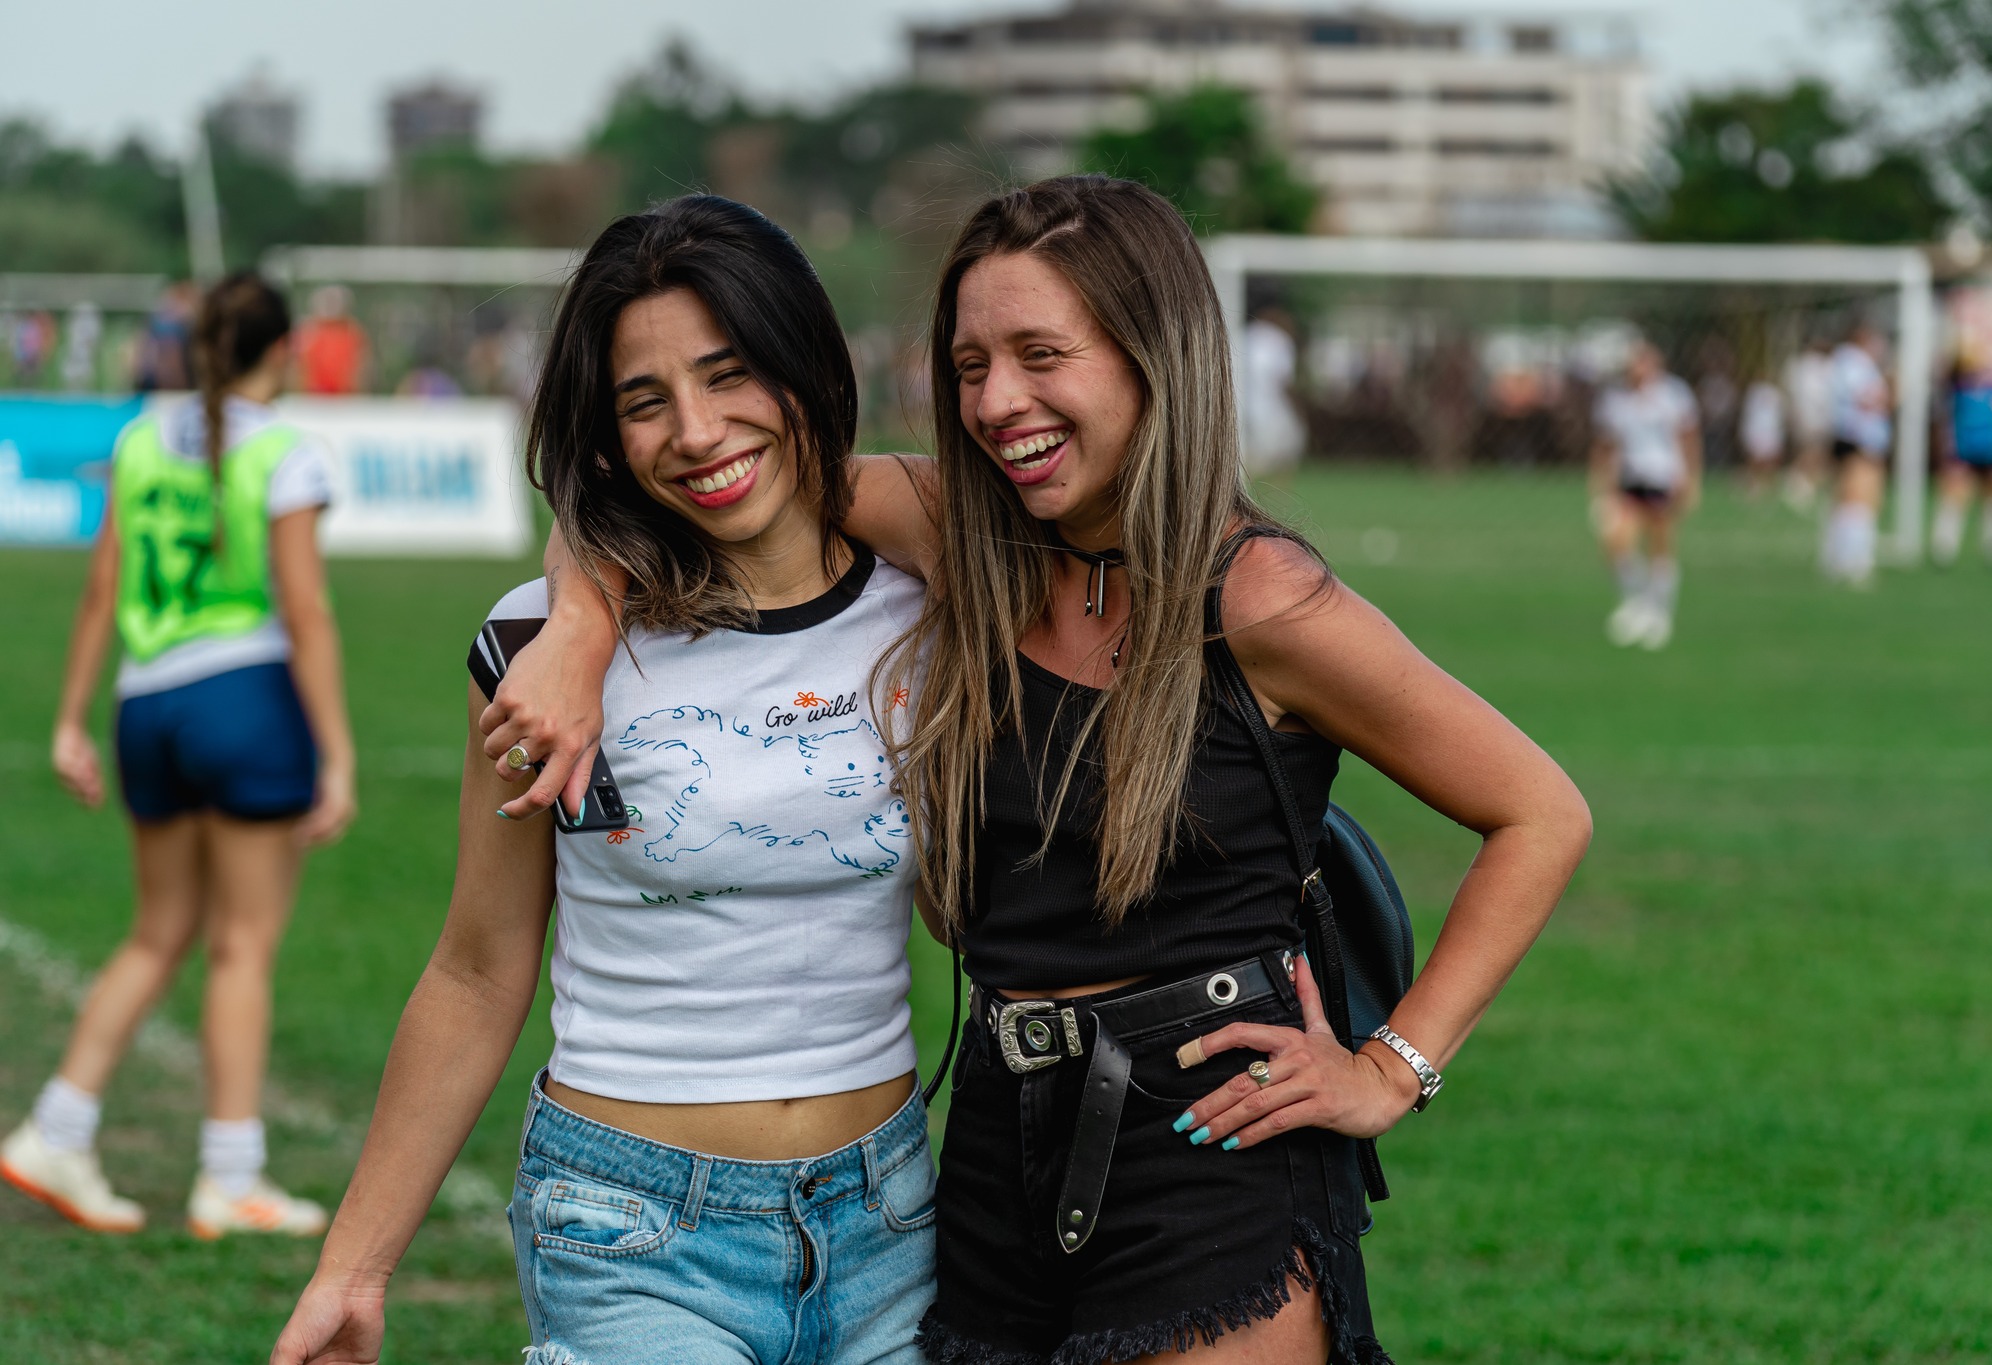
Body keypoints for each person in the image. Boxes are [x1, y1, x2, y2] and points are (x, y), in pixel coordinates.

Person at [499, 175, 1591, 1365]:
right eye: (969, 365)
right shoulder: (958, 533)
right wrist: (578, 635)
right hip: (989, 1162)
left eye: (1039, 355)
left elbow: (1537, 811)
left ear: (1148, 358)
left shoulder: (1262, 599)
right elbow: (669, 486)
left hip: (1210, 1151)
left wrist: (1394, 1068)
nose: (996, 401)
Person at [271, 196, 936, 1365]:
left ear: (804, 364)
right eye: (644, 401)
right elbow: (478, 971)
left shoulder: (931, 604)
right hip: (630, 1230)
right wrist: (353, 1268)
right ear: (604, 432)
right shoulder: (531, 648)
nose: (694, 430)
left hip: (892, 1222)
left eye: (730, 374)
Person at [4, 272, 355, 1238]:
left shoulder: (141, 436)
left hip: (143, 706)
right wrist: (337, 754)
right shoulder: (285, 450)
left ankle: (58, 1128)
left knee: (157, 932)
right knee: (241, 943)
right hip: (242, 700)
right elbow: (306, 610)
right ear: (278, 351)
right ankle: (231, 1176)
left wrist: (71, 719)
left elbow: (100, 587)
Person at [1589, 340, 1701, 650]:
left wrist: (1691, 478)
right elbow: (1607, 444)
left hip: (1664, 477)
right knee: (1615, 541)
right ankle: (1636, 601)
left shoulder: (1672, 395)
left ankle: (1660, 611)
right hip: (1630, 479)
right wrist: (1601, 484)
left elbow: (1688, 437)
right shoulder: (1616, 400)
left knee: (1659, 542)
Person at [1930, 351, 1992, 568]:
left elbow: (1946, 424)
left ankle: (1944, 547)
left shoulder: (1956, 391)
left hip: (1963, 450)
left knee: (1955, 499)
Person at [1821, 322, 1892, 588]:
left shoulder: (1845, 361)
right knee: (1860, 500)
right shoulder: (1853, 361)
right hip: (1859, 438)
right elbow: (1866, 398)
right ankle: (1854, 561)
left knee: (1850, 500)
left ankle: (1838, 557)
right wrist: (1891, 392)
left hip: (1852, 437)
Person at [1241, 302, 1308, 486]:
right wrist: (1298, 405)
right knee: (1289, 447)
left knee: (1254, 456)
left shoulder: (1244, 334)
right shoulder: (1279, 339)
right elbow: (1283, 380)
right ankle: (1278, 496)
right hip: (1271, 409)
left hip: (1240, 406)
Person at [1783, 337, 1834, 512]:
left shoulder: (1799, 366)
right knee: (1812, 451)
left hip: (1811, 415)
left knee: (1815, 452)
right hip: (1814, 416)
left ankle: (1805, 483)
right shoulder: (1812, 366)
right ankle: (1798, 482)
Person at [296, 285, 368, 396]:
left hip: (344, 397)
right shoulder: (309, 331)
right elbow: (302, 368)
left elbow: (358, 367)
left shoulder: (352, 332)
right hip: (314, 396)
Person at [1739, 376, 1786, 500]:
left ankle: (1767, 485)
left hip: (1771, 431)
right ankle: (1753, 485)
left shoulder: (1775, 393)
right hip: (1757, 430)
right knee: (1755, 459)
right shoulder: (1754, 392)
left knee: (1771, 460)